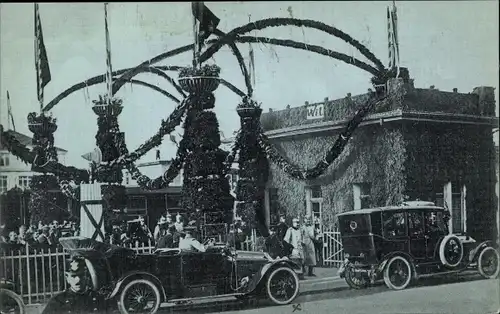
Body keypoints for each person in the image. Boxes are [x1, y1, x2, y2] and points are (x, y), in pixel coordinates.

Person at [42, 257, 110, 314]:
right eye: (73, 276)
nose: (78, 280)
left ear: (86, 276)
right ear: (67, 278)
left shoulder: (99, 299)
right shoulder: (58, 301)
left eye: (81, 275)